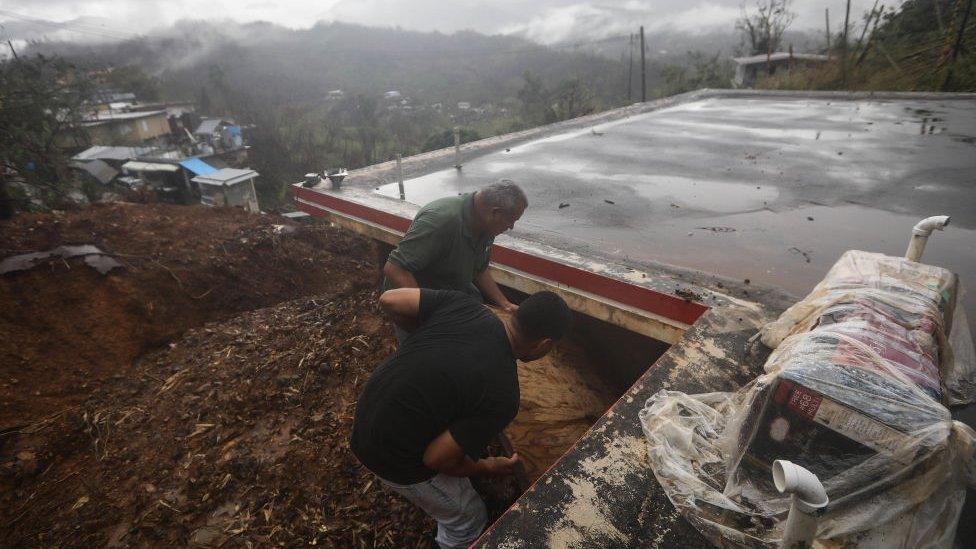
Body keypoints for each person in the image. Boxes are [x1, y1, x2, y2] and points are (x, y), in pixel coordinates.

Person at [350, 287, 573, 549]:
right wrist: (488, 466)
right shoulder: (503, 395)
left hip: (364, 415)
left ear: (516, 313)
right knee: (469, 518)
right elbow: (436, 459)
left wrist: (426, 340)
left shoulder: (465, 306)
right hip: (385, 454)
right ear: (544, 344)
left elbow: (390, 299)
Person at [382, 181, 527, 326]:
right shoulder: (441, 221)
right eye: (511, 220)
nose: (511, 227)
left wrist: (504, 304)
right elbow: (395, 268)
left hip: (450, 288)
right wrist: (426, 316)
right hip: (415, 294)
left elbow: (479, 268)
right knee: (432, 344)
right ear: (495, 212)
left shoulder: (487, 225)